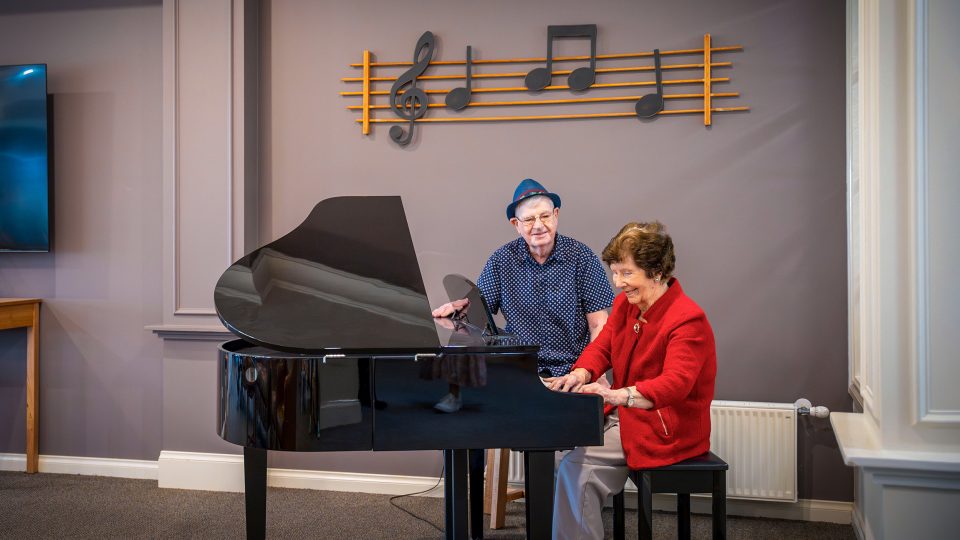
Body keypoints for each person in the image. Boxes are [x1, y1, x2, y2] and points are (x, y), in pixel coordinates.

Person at [549, 221, 717, 540]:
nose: (618, 282)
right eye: (615, 272)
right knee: (559, 451)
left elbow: (675, 385)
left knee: (576, 468)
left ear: (656, 272)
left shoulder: (687, 320)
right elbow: (602, 348)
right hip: (629, 415)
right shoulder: (625, 306)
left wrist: (615, 396)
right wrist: (580, 374)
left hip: (666, 427)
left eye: (626, 273)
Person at [431, 178, 615, 412]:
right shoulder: (501, 260)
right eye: (528, 219)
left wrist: (591, 371)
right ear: (515, 224)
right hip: (519, 373)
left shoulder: (582, 257)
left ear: (556, 214)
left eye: (545, 216)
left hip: (572, 373)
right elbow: (479, 312)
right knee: (475, 417)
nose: (538, 225)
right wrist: (460, 307)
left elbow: (599, 324)